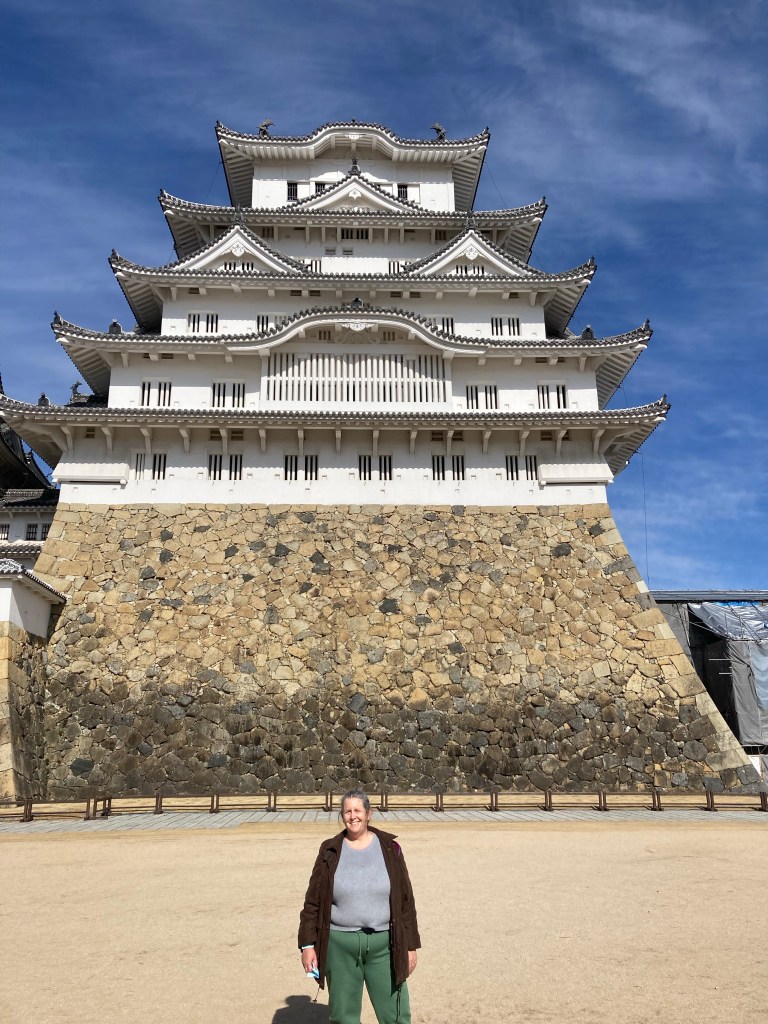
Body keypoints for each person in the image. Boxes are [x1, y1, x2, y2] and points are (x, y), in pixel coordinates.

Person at [298, 789, 420, 1024]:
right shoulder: (329, 850)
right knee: (344, 1018)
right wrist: (307, 945)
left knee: (396, 1016)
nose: (353, 816)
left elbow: (405, 900)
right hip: (340, 946)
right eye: (347, 811)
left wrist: (410, 945)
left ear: (369, 813)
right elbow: (312, 901)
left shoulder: (390, 848)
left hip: (385, 944)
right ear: (342, 815)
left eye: (358, 810)